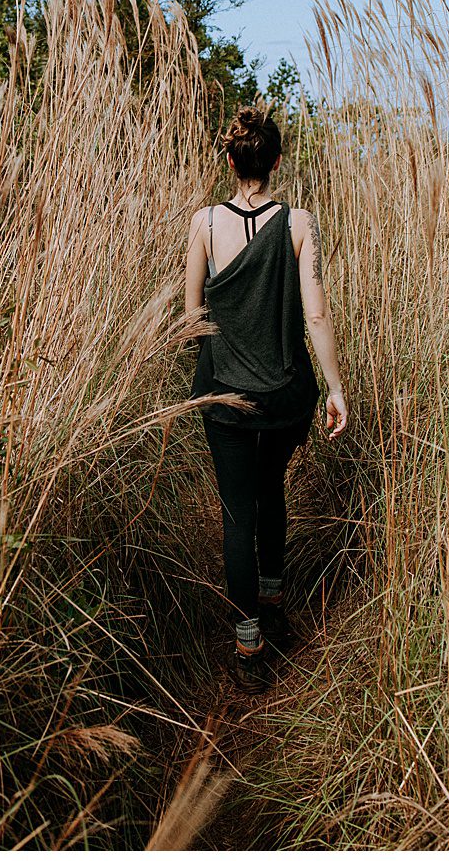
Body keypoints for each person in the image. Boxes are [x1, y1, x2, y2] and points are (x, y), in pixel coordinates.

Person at [185, 106, 349, 693]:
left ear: (230, 162)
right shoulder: (299, 221)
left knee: (236, 510)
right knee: (271, 485)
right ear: (276, 161)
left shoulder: (203, 225)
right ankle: (275, 597)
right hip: (284, 393)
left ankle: (248, 641)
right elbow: (317, 311)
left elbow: (192, 318)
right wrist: (334, 386)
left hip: (223, 393)